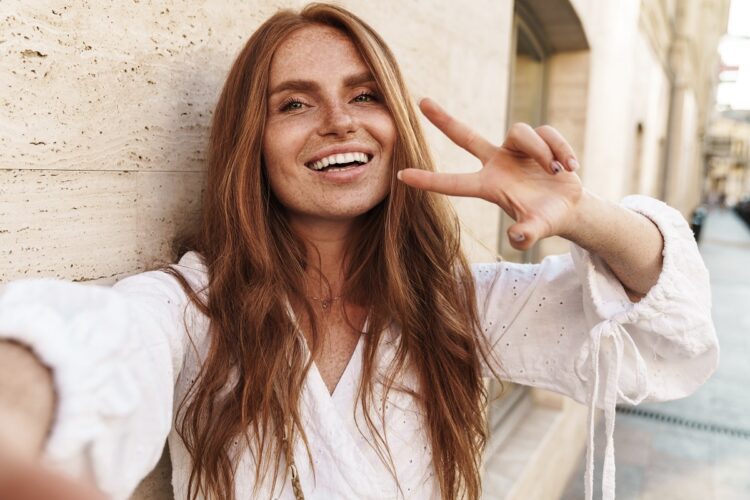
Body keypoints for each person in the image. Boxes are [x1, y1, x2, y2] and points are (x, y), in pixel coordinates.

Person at [0, 3, 718, 500]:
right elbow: (91, 346)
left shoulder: (459, 307)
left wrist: (583, 214)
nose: (338, 121)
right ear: (250, 143)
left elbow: (664, 340)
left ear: (396, 121)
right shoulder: (193, 309)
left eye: (364, 94)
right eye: (294, 103)